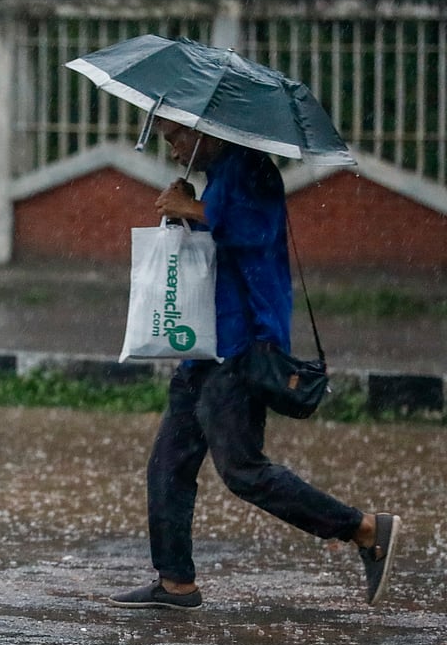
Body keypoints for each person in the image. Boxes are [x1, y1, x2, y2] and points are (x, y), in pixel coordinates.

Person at [109, 119, 400, 610]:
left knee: (243, 470)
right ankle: (176, 583)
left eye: (176, 138)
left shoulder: (251, 169)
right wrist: (188, 207)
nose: (174, 150)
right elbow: (213, 244)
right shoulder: (220, 174)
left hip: (242, 345)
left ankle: (364, 528)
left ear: (207, 132)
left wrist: (193, 208)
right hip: (205, 343)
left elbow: (253, 232)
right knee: (168, 465)